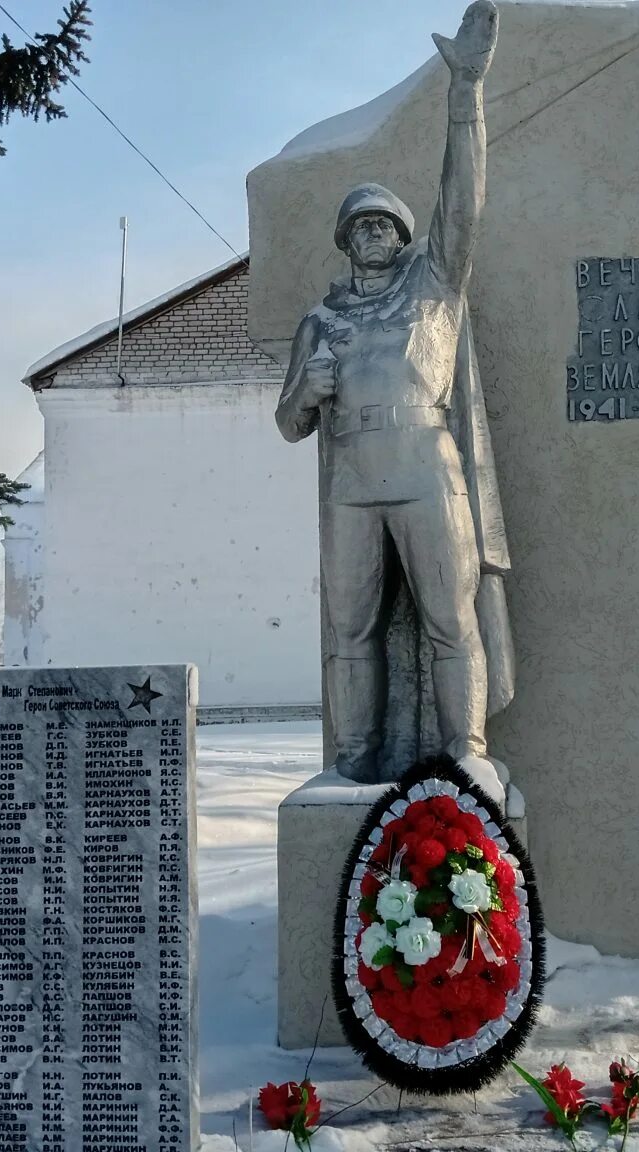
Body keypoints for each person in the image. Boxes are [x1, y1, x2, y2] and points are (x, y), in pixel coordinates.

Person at [275, 1, 511, 786]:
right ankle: (353, 759)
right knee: (350, 629)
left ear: (406, 238)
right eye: (361, 227)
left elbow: (463, 195)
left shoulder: (434, 285)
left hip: (424, 468)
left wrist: (465, 90)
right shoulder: (322, 316)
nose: (374, 234)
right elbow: (288, 423)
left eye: (385, 225)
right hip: (351, 480)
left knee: (451, 620)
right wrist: (306, 390)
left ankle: (468, 752)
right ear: (345, 241)